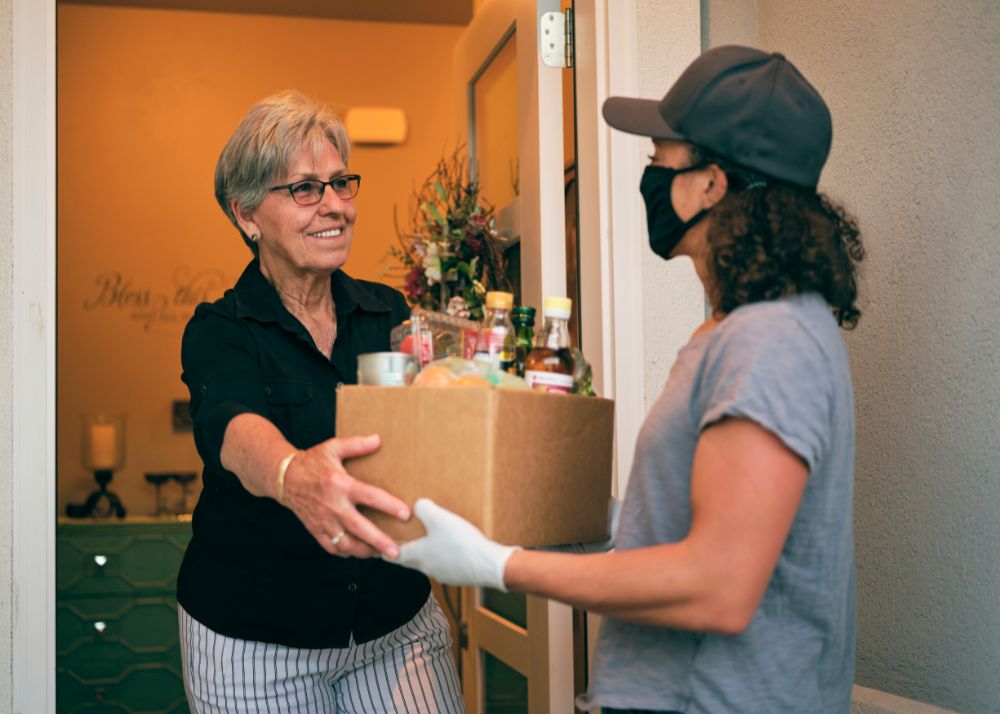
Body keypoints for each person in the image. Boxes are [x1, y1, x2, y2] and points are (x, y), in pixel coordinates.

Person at [389, 45, 865, 713]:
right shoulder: (739, 329)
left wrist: (498, 567)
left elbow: (718, 585)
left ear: (711, 183)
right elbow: (703, 527)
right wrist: (578, 523)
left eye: (659, 161)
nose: (648, 179)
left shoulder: (771, 341)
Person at [177, 90, 464, 713]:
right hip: (256, 641)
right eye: (305, 189)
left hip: (396, 625)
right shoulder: (220, 330)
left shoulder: (387, 312)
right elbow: (232, 426)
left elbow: (439, 427)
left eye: (341, 183)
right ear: (247, 215)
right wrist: (291, 473)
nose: (335, 205)